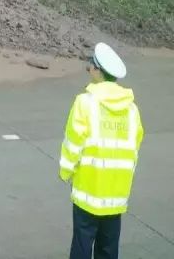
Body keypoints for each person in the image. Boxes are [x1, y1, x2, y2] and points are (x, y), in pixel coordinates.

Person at [59, 42, 144, 259]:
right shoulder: (131, 109)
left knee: (82, 245)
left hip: (88, 192)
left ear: (97, 70)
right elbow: (134, 147)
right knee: (108, 248)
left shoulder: (85, 103)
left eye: (90, 65)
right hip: (116, 195)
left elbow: (73, 143)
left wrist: (65, 172)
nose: (89, 69)